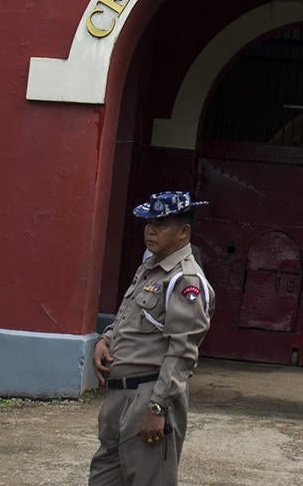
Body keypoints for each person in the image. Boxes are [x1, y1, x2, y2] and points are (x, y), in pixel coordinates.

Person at [89, 190, 213, 486]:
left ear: (184, 232)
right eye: (148, 224)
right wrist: (104, 340)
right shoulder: (149, 267)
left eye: (161, 225)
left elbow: (182, 351)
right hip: (119, 396)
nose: (151, 231)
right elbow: (127, 315)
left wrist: (158, 408)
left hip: (149, 395)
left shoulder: (184, 280)